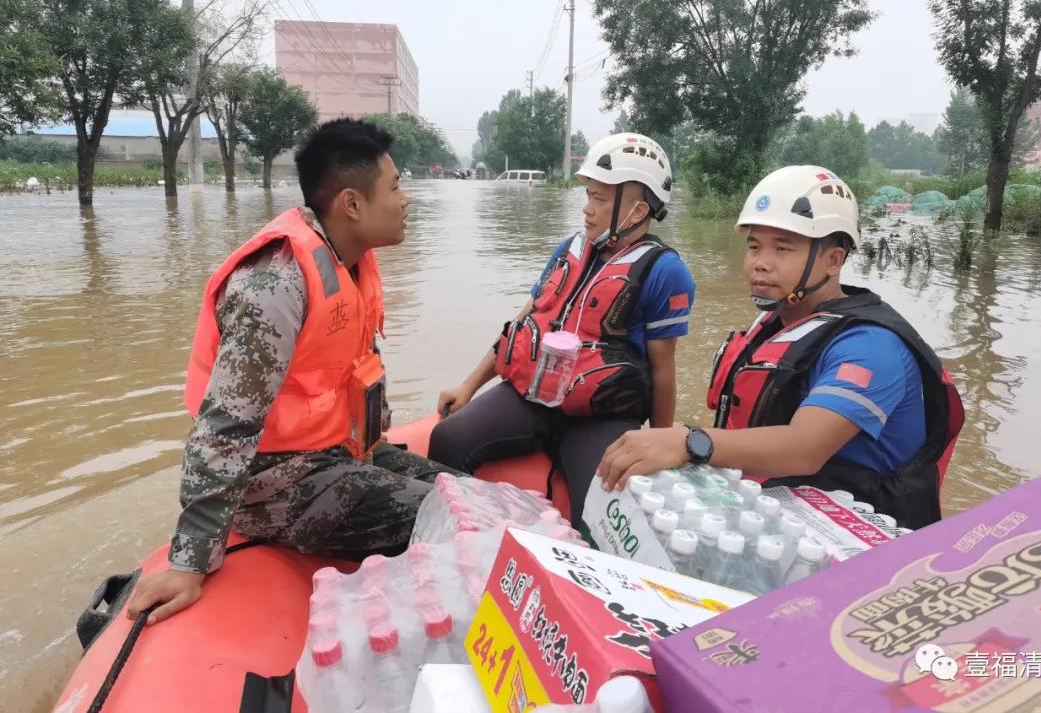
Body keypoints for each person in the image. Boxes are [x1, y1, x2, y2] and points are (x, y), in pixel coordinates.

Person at [128, 119, 459, 625]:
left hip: (338, 453)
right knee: (459, 524)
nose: (406, 199)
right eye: (395, 187)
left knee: (473, 497)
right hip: (276, 483)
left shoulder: (350, 262)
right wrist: (189, 562)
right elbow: (225, 425)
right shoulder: (275, 283)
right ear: (352, 205)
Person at [598, 165, 964, 529]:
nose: (761, 263)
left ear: (833, 260)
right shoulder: (776, 321)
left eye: (782, 249)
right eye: (754, 246)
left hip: (850, 526)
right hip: (777, 505)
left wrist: (688, 442)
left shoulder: (872, 346)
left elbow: (805, 448)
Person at [428, 133, 696, 525]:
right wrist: (468, 386)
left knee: (605, 510)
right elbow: (521, 324)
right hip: (533, 397)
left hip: (603, 416)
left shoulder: (665, 272)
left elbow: (662, 368)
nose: (587, 208)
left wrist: (660, 439)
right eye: (588, 195)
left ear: (638, 211)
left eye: (599, 199)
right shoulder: (570, 248)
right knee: (447, 439)